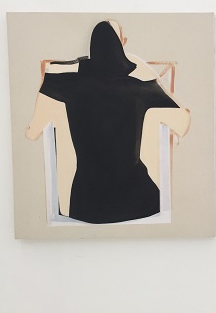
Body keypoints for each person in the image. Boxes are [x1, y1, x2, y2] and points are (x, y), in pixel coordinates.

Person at [26, 21, 190, 224]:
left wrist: (82, 63)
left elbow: (51, 74)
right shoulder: (139, 88)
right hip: (137, 201)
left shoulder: (71, 85)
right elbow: (183, 124)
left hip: (88, 204)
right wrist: (147, 71)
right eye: (122, 39)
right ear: (120, 45)